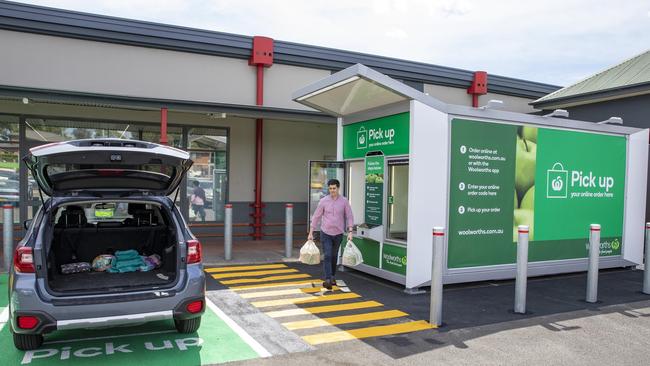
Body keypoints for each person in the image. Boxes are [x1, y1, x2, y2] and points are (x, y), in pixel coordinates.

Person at [308, 178, 354, 290]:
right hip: (326, 233)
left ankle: (333, 276)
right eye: (330, 188)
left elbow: (349, 216)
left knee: (334, 256)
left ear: (338, 188)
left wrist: (350, 231)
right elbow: (316, 216)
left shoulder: (344, 201)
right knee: (327, 255)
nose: (332, 190)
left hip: (338, 233)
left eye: (334, 188)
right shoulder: (323, 201)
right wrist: (311, 232)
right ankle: (328, 279)